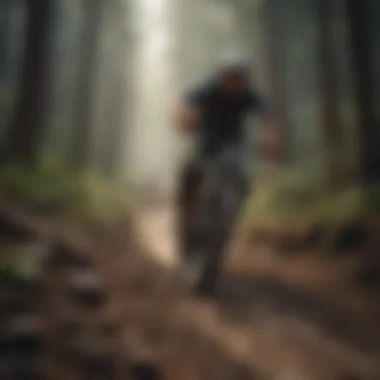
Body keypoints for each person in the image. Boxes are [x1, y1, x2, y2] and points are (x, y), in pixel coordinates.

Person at [174, 51, 279, 256]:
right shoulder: (208, 88)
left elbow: (267, 115)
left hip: (233, 147)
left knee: (243, 182)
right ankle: (186, 216)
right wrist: (185, 117)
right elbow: (183, 102)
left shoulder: (249, 94)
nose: (234, 82)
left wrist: (270, 137)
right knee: (188, 174)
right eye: (231, 76)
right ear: (221, 75)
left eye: (239, 77)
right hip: (205, 145)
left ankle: (228, 218)